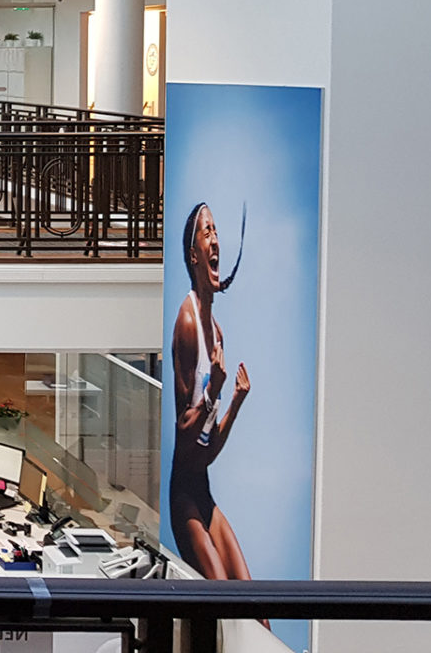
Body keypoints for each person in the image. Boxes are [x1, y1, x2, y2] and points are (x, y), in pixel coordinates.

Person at [169, 202, 253, 580]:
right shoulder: (187, 322)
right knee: (221, 597)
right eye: (208, 232)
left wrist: (234, 402)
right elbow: (184, 435)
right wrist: (213, 391)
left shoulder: (217, 333)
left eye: (217, 231)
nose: (216, 240)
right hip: (183, 499)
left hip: (203, 490)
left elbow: (207, 451)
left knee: (250, 595)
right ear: (194, 255)